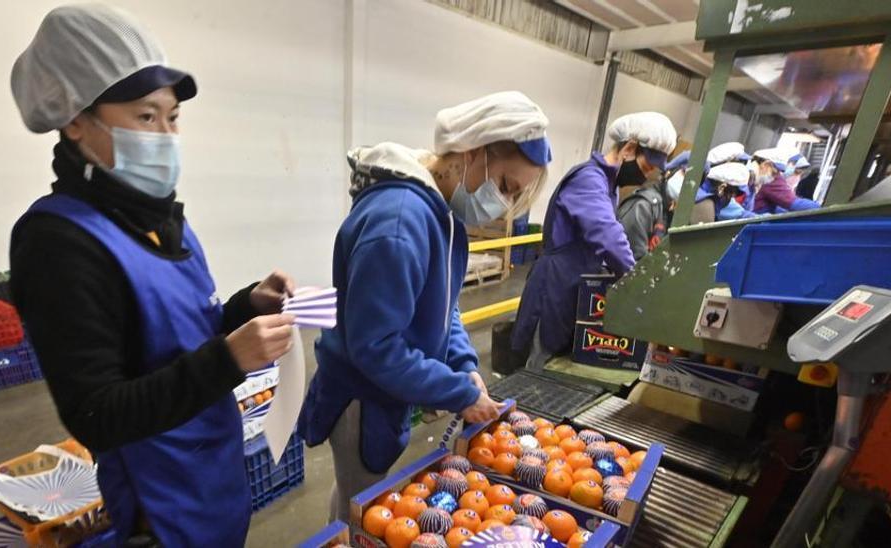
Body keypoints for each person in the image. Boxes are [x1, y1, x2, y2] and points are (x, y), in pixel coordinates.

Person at [7, 6, 297, 546]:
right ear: (75, 120)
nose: (165, 134)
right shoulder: (58, 243)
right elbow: (96, 412)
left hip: (214, 473)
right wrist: (230, 358)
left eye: (173, 116)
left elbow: (179, 332)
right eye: (145, 117)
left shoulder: (159, 219)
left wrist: (245, 308)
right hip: (160, 503)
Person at [299, 91, 553, 523]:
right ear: (474, 153)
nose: (504, 204)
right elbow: (376, 347)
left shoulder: (441, 213)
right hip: (363, 397)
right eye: (506, 186)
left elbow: (443, 304)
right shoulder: (399, 223)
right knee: (361, 512)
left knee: (353, 495)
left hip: (388, 390)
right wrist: (459, 393)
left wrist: (463, 363)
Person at [513, 112, 676, 370]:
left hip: (575, 284)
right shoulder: (589, 180)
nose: (644, 177)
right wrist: (637, 281)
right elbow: (609, 235)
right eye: (645, 168)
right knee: (541, 362)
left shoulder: (608, 185)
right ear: (629, 149)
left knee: (561, 361)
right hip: (555, 285)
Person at [751, 147, 821, 214]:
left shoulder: (767, 177)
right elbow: (793, 203)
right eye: (793, 164)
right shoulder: (771, 179)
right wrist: (821, 206)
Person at [692, 162, 756, 223]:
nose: (733, 196)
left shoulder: (718, 194)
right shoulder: (704, 202)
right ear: (722, 187)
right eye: (733, 192)